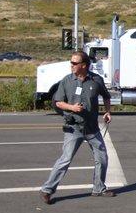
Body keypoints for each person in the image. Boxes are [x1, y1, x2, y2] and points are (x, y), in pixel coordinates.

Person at [40, 50, 114, 204]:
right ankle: (47, 190)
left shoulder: (96, 80)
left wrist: (107, 112)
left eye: (74, 63)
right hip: (73, 128)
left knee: (102, 158)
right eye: (71, 62)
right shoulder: (67, 81)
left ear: (84, 65)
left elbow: (106, 96)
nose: (71, 65)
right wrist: (72, 108)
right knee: (65, 160)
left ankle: (99, 188)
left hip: (92, 128)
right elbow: (58, 102)